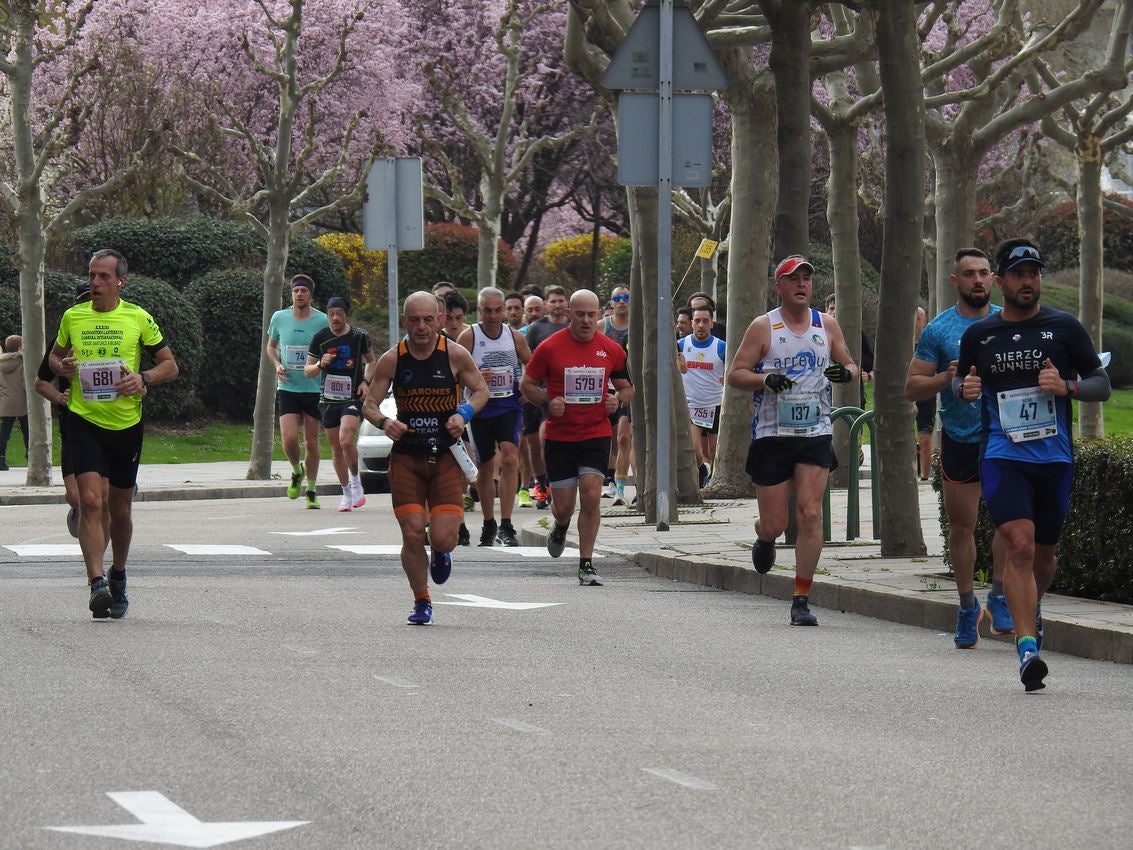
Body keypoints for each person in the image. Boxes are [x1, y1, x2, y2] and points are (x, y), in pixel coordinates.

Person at [957, 238, 1110, 691]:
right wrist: (962, 390)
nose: (1028, 281)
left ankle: (1031, 609)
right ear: (1001, 281)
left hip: (1054, 458)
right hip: (1003, 455)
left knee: (1044, 559)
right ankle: (1027, 649)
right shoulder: (980, 335)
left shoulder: (1063, 327)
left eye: (1034, 273)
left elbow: (1101, 382)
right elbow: (963, 384)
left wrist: (1067, 386)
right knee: (1019, 546)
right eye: (1019, 274)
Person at [726, 255, 857, 626]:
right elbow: (736, 374)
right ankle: (763, 536)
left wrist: (843, 373)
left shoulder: (825, 325)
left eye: (807, 279)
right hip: (772, 434)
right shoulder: (763, 327)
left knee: (811, 513)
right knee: (777, 522)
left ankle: (801, 597)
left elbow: (851, 365)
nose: (801, 284)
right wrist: (765, 380)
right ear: (778, 286)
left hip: (815, 431)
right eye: (792, 279)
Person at [49, 249, 179, 619]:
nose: (95, 282)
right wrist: (65, 366)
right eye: (92, 275)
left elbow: (170, 365)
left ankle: (117, 573)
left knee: (119, 510)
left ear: (121, 281)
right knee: (90, 502)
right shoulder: (73, 317)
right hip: (83, 418)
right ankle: (96, 584)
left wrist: (143, 378)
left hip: (124, 424)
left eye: (104, 276)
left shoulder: (138, 318)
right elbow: (54, 359)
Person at [362, 291, 489, 626]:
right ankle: (422, 599)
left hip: (446, 456)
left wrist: (463, 414)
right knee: (412, 532)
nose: (421, 327)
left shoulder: (455, 355)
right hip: (407, 458)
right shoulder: (394, 359)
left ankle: (442, 551)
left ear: (440, 320)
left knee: (445, 537)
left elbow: (481, 391)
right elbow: (370, 404)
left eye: (428, 320)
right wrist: (385, 423)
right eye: (414, 320)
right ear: (406, 320)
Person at [906, 248, 1011, 649]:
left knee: (1008, 523)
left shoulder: (1009, 323)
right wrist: (943, 378)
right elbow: (910, 386)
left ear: (994, 279)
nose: (979, 280)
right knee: (963, 527)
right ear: (956, 281)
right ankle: (968, 606)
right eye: (969, 274)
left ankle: (999, 596)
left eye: (985, 273)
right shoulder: (939, 330)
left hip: (1006, 438)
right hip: (962, 441)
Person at [520, 289, 634, 586]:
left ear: (599, 314)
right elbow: (527, 384)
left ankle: (586, 563)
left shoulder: (611, 349)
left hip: (595, 434)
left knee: (592, 494)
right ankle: (560, 525)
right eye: (580, 314)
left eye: (591, 314)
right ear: (569, 313)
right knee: (564, 506)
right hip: (560, 437)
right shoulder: (549, 347)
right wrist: (546, 400)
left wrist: (618, 399)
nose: (585, 320)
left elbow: (627, 387)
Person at [457, 287, 533, 546]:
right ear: (479, 310)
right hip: (480, 409)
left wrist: (526, 388)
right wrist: (476, 376)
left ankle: (507, 524)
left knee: (511, 457)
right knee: (486, 467)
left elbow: (531, 366)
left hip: (509, 406)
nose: (492, 315)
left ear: (504, 310)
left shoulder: (514, 337)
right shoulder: (469, 336)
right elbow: (454, 371)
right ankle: (489, 522)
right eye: (487, 310)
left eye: (497, 310)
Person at [304, 296, 376, 512]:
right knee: (336, 448)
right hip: (328, 400)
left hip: (351, 397)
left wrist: (365, 381)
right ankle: (346, 492)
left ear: (346, 314)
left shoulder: (359, 336)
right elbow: (307, 371)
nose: (335, 318)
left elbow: (372, 361)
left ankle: (356, 482)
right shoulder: (320, 337)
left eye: (339, 313)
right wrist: (319, 363)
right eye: (331, 314)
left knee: (346, 441)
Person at [35, 281, 95, 536]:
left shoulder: (117, 334)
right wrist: (60, 397)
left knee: (98, 499)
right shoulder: (61, 342)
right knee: (76, 497)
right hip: (72, 425)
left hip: (110, 423)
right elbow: (40, 383)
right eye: (83, 302)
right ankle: (79, 510)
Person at [267, 275, 329, 509]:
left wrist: (323, 363)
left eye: (304, 291)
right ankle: (296, 470)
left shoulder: (322, 321)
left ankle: (311, 490)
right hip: (288, 387)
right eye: (296, 291)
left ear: (311, 295)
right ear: (291, 294)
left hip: (313, 389)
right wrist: (277, 364)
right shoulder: (279, 318)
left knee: (311, 442)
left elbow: (330, 348)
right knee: (289, 439)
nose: (299, 294)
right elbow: (271, 347)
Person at [524, 285, 570, 508]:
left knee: (552, 439)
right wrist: (527, 387)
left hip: (565, 393)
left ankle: (555, 483)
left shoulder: (573, 326)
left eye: (561, 300)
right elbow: (528, 360)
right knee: (537, 442)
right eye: (553, 301)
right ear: (546, 304)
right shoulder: (536, 329)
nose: (558, 305)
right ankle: (542, 484)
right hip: (539, 392)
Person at [678, 306, 726, 488]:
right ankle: (702, 471)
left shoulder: (721, 347)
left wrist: (727, 376)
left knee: (714, 453)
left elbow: (735, 368)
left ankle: (712, 482)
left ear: (711, 324)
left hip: (715, 405)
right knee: (695, 452)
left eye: (705, 321)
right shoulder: (682, 345)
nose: (701, 325)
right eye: (697, 321)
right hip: (691, 405)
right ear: (691, 324)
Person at [599, 285, 634, 506]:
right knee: (614, 439)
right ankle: (613, 483)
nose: (621, 301)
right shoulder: (602, 326)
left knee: (624, 438)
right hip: (606, 390)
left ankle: (622, 489)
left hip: (629, 387)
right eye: (617, 298)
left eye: (625, 298)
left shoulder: (638, 325)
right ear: (611, 302)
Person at [824, 292, 873, 408]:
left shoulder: (856, 334)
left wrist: (856, 367)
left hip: (853, 394)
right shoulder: (818, 332)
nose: (835, 312)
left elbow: (869, 359)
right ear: (826, 311)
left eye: (838, 309)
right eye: (831, 308)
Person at [913, 306, 935, 480]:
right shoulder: (898, 346)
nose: (916, 323)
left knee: (925, 437)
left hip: (926, 395)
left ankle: (925, 477)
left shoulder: (929, 344)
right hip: (904, 395)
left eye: (919, 319)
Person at [0, 334, 28, 469]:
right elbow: (25, 383)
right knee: (28, 432)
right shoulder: (23, 363)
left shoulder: (0, 364)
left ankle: (1, 459)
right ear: (19, 347)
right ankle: (31, 457)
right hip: (23, 402)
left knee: (4, 431)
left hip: (6, 402)